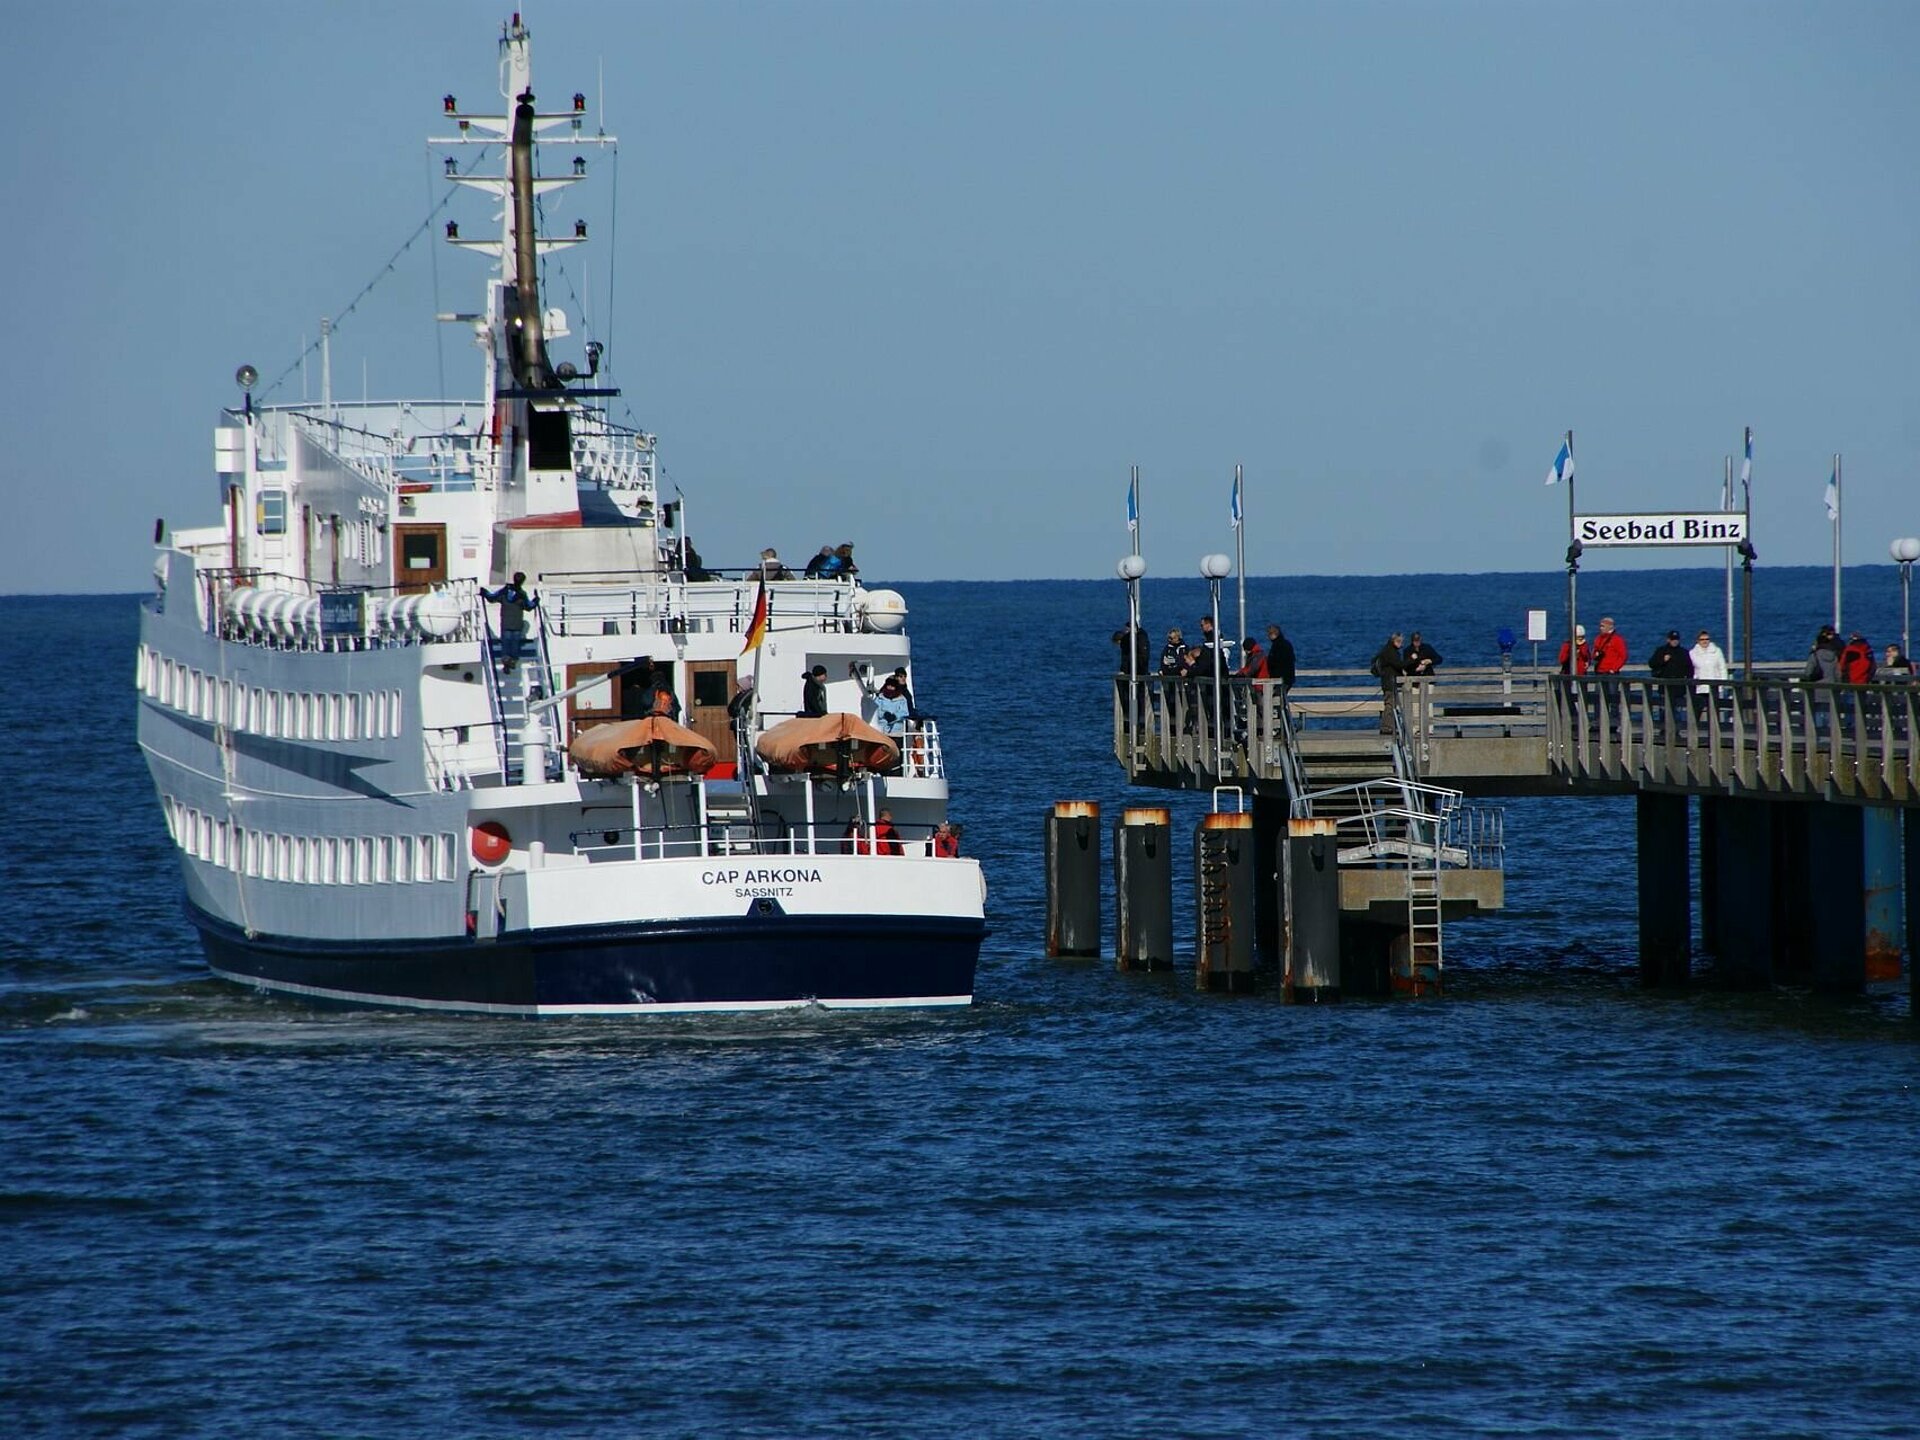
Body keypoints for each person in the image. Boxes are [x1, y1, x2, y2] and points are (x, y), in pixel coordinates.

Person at [481, 571, 539, 669]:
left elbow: (492, 598)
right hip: (517, 624)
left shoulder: (504, 592)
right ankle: (513, 660)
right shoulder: (522, 594)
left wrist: (484, 592)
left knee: (506, 643)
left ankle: (506, 659)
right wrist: (536, 600)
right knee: (514, 644)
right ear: (522, 581)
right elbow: (529, 607)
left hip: (506, 623)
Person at [1372, 632, 1408, 734]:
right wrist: (1411, 660)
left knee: (1391, 704)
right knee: (1390, 705)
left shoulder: (1388, 650)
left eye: (1401, 641)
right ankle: (1386, 727)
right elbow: (1398, 664)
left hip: (1389, 682)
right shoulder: (1390, 652)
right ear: (1394, 641)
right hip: (1389, 683)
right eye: (1399, 641)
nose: (1401, 644)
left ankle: (1389, 726)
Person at [1265, 624, 1298, 689]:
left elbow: (1276, 661)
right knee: (1281, 696)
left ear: (1274, 634)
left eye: (1269, 634)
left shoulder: (1277, 645)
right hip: (1288, 677)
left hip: (1281, 678)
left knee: (1277, 697)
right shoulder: (1286, 643)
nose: (1268, 637)